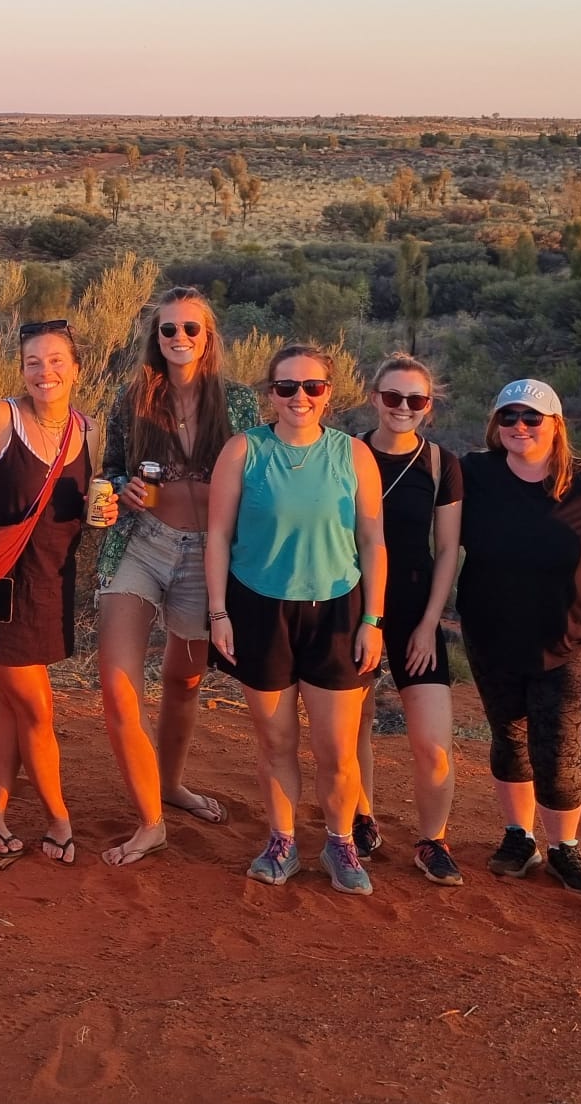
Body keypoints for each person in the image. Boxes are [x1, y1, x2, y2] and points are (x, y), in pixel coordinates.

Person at [206, 344, 387, 895]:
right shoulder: (243, 450)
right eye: (287, 387)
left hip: (337, 610)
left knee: (337, 747)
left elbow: (373, 539)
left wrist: (373, 619)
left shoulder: (353, 454)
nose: (299, 397)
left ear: (329, 393)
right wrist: (219, 612)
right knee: (275, 742)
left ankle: (340, 842)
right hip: (259, 608)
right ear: (271, 393)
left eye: (312, 387)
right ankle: (281, 841)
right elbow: (217, 535)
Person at [92, 286, 258, 867]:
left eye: (192, 329)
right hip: (141, 543)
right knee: (117, 683)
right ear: (155, 338)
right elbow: (109, 469)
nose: (180, 339)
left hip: (205, 554)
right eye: (169, 330)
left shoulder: (236, 402)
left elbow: (255, 477)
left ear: (208, 338)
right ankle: (150, 820)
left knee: (184, 682)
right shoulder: (133, 398)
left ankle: (170, 784)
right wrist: (121, 488)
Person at [0, 320, 112, 865]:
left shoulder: (87, 429)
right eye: (33, 361)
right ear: (21, 369)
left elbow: (78, 506)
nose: (45, 372)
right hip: (0, 590)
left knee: (15, 710)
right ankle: (59, 820)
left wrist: (98, 514)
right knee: (37, 709)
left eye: (57, 360)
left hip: (51, 584)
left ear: (77, 367)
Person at [455, 379, 581, 896]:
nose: (519, 427)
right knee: (510, 738)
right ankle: (520, 837)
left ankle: (565, 847)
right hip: (491, 630)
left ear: (556, 425)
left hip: (567, 634)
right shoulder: (475, 473)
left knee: (557, 748)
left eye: (531, 418)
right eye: (508, 417)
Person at [352, 353, 467, 885]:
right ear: (374, 397)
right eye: (392, 397)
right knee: (355, 725)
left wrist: (429, 624)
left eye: (415, 400)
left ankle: (432, 839)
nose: (403, 407)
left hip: (416, 611)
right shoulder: (345, 454)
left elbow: (446, 551)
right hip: (352, 605)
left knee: (432, 744)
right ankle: (360, 819)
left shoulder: (441, 463)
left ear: (428, 406)